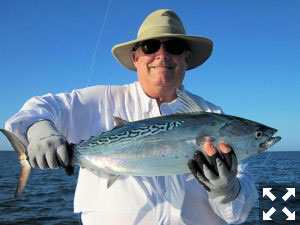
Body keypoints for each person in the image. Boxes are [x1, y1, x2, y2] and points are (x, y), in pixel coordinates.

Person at [5, 9, 258, 225]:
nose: (162, 55)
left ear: (186, 58)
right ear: (136, 57)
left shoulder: (213, 117)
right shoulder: (101, 100)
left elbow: (239, 213)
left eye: (174, 46)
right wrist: (41, 130)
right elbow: (39, 107)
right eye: (150, 47)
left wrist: (227, 191)